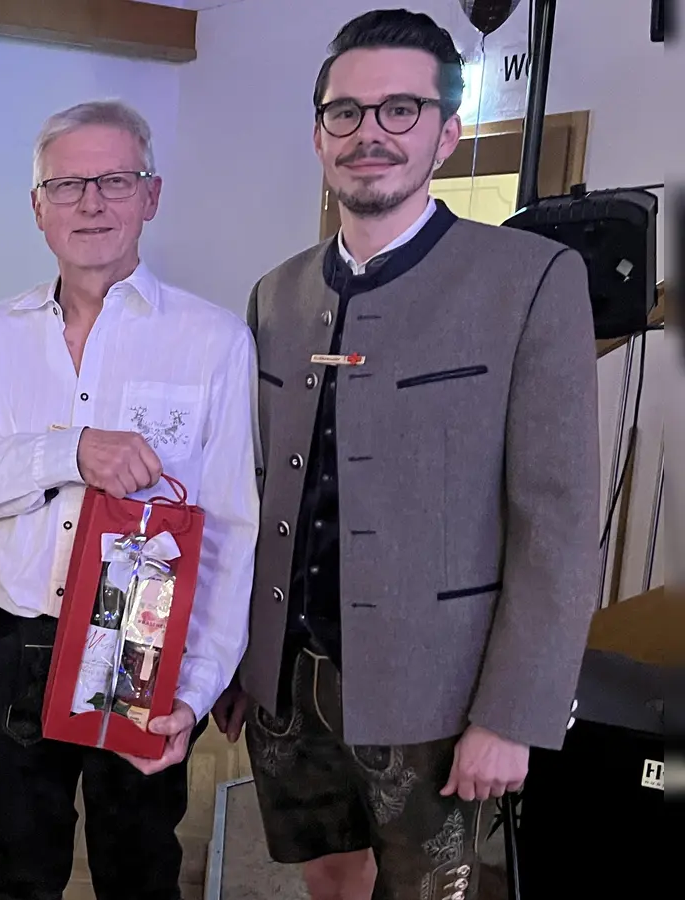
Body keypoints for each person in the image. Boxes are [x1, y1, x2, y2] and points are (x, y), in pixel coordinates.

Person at [210, 10, 601, 900]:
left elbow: (561, 523)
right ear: (319, 134)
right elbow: (254, 489)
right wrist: (238, 658)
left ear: (446, 131)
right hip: (289, 672)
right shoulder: (278, 292)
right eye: (346, 113)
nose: (371, 135)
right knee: (330, 874)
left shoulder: (530, 282)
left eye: (400, 109)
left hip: (440, 682)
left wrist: (513, 713)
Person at [0, 99, 261, 900]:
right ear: (37, 209)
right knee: (20, 871)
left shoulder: (211, 341)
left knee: (139, 872)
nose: (92, 202)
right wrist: (69, 451)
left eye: (115, 179)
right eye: (67, 185)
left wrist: (194, 683)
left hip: (139, 648)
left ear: (153, 194)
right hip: (13, 647)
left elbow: (231, 529)